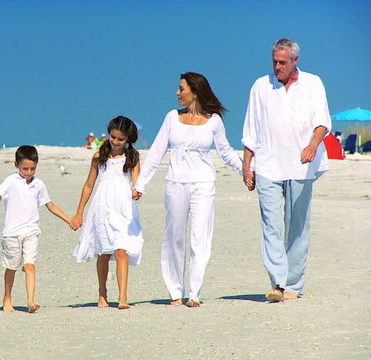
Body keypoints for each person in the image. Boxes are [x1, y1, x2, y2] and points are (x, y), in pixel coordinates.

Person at [134, 72, 242, 307]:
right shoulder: (172, 117)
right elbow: (156, 152)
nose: (177, 92)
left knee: (200, 237)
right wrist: (140, 183)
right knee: (174, 237)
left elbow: (226, 153)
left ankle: (194, 293)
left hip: (204, 184)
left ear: (194, 91)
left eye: (181, 88)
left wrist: (246, 172)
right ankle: (175, 291)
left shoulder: (214, 120)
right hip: (175, 183)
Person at [242, 39, 330, 302]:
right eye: (274, 62)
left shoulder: (313, 83)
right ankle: (278, 282)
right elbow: (251, 129)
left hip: (302, 166)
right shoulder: (261, 85)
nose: (277, 67)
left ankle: (293, 285)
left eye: (283, 62)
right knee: (270, 224)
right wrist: (247, 165)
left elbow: (322, 121)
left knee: (297, 226)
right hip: (268, 164)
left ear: (295, 61)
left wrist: (313, 145)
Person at [0, 145, 73, 313]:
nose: (28, 172)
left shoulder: (39, 184)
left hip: (31, 231)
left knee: (30, 265)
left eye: (32, 168)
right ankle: (7, 298)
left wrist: (69, 220)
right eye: (25, 168)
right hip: (11, 233)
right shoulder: (11, 181)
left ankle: (31, 301)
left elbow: (49, 204)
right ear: (16, 165)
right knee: (11, 267)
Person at [71, 116, 143, 309]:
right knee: (103, 252)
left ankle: (123, 297)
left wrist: (137, 192)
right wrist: (79, 213)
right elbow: (88, 186)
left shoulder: (132, 158)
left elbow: (136, 183)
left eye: (120, 139)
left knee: (121, 249)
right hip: (102, 207)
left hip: (123, 209)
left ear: (128, 140)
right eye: (113, 137)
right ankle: (102, 293)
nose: (115, 142)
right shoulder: (99, 157)